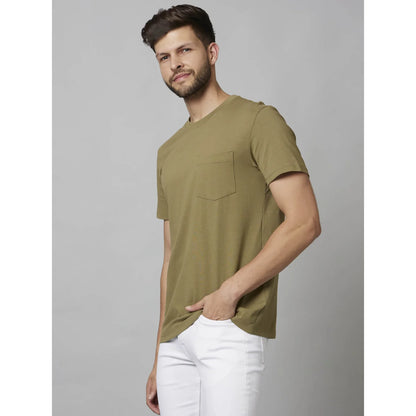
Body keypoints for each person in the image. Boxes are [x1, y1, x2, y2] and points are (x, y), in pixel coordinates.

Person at [141, 4, 321, 415]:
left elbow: (305, 221)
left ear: (212, 52)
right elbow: (171, 255)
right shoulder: (168, 152)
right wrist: (159, 353)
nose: (175, 64)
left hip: (227, 324)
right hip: (174, 340)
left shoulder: (258, 121)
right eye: (164, 57)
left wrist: (229, 294)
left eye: (184, 50)